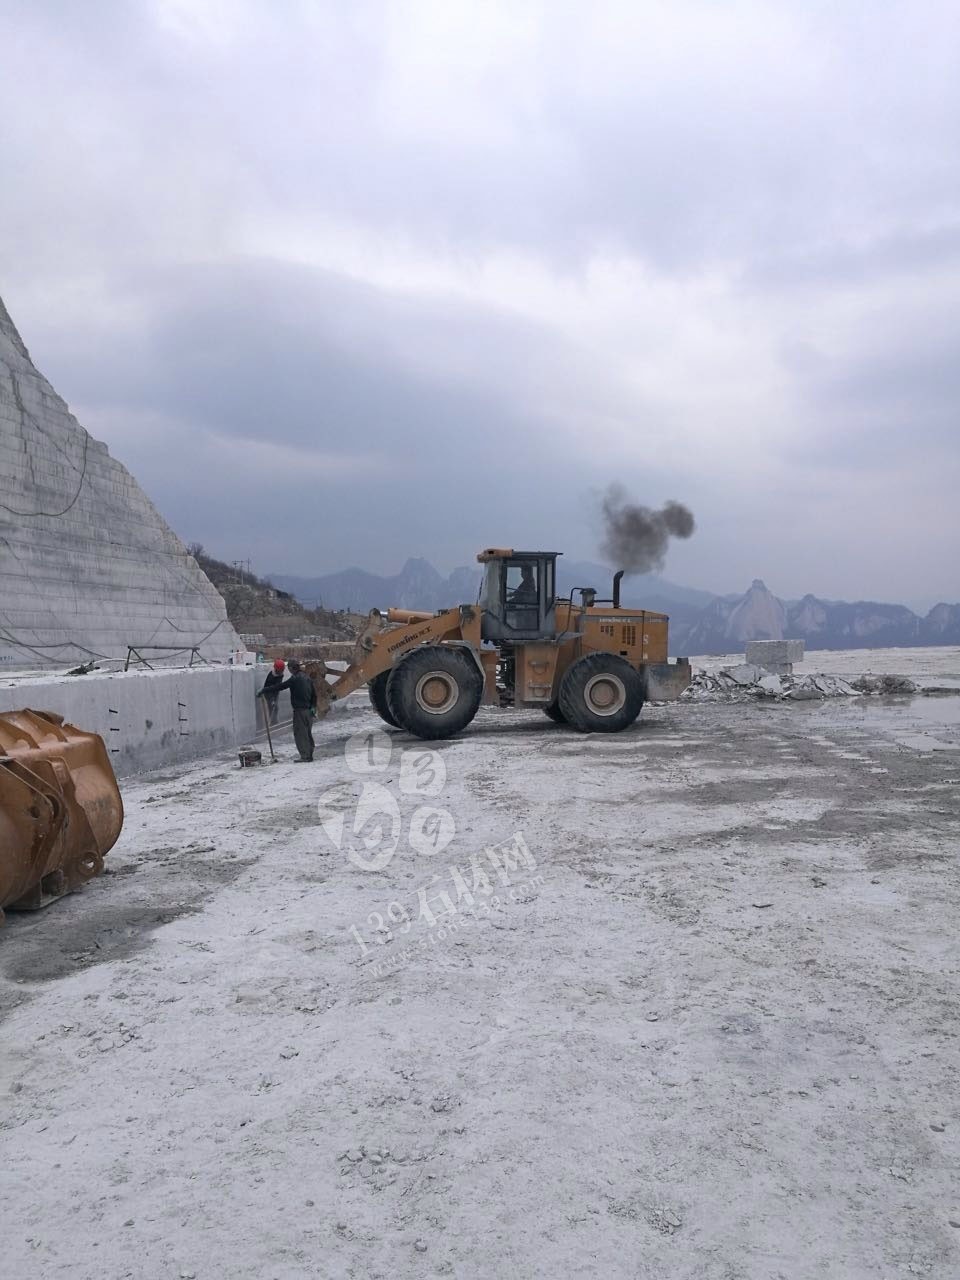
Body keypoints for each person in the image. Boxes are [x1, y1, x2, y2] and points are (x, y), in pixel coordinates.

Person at [274, 659, 317, 762]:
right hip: (309, 711)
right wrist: (313, 707)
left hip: (300, 711)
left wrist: (264, 690)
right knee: (307, 733)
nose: (288, 670)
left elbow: (280, 686)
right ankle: (309, 754)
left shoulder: (295, 679)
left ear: (292, 668)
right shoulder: (307, 677)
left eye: (289, 668)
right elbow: (314, 695)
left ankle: (305, 757)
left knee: (300, 734)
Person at [260, 658, 285, 726]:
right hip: (268, 693)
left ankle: (275, 722)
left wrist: (276, 696)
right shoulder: (271, 677)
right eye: (281, 670)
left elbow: (278, 686)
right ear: (277, 669)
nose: (282, 671)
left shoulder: (280, 674)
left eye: (282, 670)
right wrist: (272, 700)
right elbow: (269, 689)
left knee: (276, 708)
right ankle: (273, 723)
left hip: (275, 692)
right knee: (273, 707)